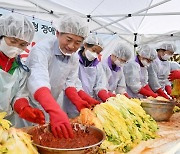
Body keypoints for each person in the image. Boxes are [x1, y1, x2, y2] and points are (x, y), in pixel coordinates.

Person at [26, 14, 93, 139]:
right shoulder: (42, 50)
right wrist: (55, 111)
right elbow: (38, 80)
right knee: (30, 139)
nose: (72, 46)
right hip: (31, 106)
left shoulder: (73, 57)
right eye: (68, 39)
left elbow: (70, 82)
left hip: (52, 103)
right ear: (58, 33)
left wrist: (78, 101)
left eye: (78, 42)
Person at [0, 14, 45, 127]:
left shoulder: (21, 70)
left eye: (22, 45)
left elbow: (19, 95)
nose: (16, 47)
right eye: (13, 41)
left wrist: (24, 108)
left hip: (6, 124)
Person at [75, 34, 116, 103]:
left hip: (90, 103)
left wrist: (105, 96)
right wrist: (86, 98)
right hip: (73, 103)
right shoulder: (75, 60)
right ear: (85, 45)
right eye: (94, 50)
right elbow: (74, 83)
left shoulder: (98, 65)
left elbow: (100, 84)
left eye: (98, 53)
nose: (95, 54)